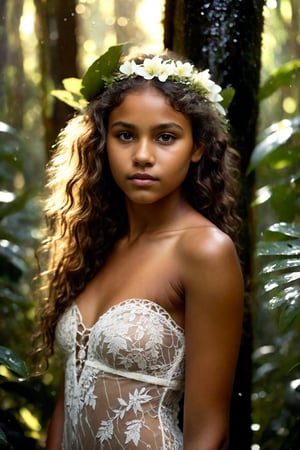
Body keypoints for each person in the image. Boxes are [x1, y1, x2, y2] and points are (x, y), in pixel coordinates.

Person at [35, 44, 244, 450]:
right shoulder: (96, 242)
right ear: (102, 142)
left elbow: (210, 431)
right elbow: (69, 399)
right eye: (125, 135)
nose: (143, 156)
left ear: (197, 147)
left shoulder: (204, 251)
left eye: (166, 137)